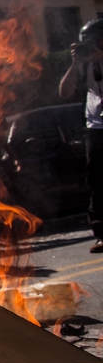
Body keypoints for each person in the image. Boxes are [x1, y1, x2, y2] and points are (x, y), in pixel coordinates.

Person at [60, 18, 103, 253]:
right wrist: (76, 64)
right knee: (97, 181)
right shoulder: (85, 64)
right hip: (96, 127)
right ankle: (101, 233)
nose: (94, 46)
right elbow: (64, 92)